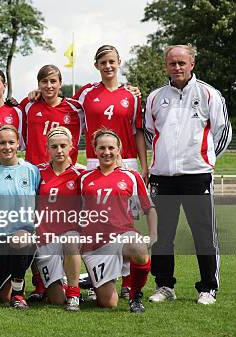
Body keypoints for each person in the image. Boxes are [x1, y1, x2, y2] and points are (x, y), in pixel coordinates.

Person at [145, 44, 232, 305]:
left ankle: (208, 287)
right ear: (166, 66)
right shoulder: (155, 97)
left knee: (203, 233)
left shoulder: (209, 94)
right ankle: (164, 285)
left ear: (192, 63)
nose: (177, 67)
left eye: (182, 62)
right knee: (162, 234)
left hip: (197, 175)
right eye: (172, 63)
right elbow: (151, 134)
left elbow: (223, 132)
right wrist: (164, 159)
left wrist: (204, 159)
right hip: (163, 177)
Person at [73, 45, 148, 298]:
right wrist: (36, 92)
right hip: (95, 161)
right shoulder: (85, 93)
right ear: (96, 65)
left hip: (126, 162)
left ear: (119, 62)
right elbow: (62, 108)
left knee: (125, 223)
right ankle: (100, 275)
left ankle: (127, 283)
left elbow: (137, 131)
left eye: (112, 61)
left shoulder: (132, 95)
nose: (108, 66)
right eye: (103, 62)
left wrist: (143, 165)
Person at [78, 129, 157, 313]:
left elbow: (148, 208)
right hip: (95, 245)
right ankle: (91, 280)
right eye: (102, 148)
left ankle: (135, 296)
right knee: (108, 303)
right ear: (94, 150)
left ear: (119, 149)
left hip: (123, 236)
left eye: (111, 147)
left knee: (138, 247)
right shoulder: (83, 178)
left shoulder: (131, 176)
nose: (107, 152)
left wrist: (153, 235)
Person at [0, 125, 40, 309]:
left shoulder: (31, 171)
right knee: (3, 296)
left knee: (21, 239)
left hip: (22, 236)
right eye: (2, 143)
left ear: (18, 143)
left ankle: (19, 294)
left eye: (11, 142)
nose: (7, 147)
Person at [34, 126, 84, 311]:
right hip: (45, 237)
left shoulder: (81, 174)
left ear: (71, 146)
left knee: (71, 241)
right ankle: (59, 284)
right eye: (54, 146)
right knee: (56, 300)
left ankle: (74, 294)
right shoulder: (36, 172)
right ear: (47, 148)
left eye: (63, 145)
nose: (59, 150)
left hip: (70, 234)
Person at [19, 65, 84, 165]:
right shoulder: (28, 104)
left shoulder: (77, 109)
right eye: (44, 81)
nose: (49, 86)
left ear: (60, 83)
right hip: (35, 171)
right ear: (39, 84)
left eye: (53, 81)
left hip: (64, 172)